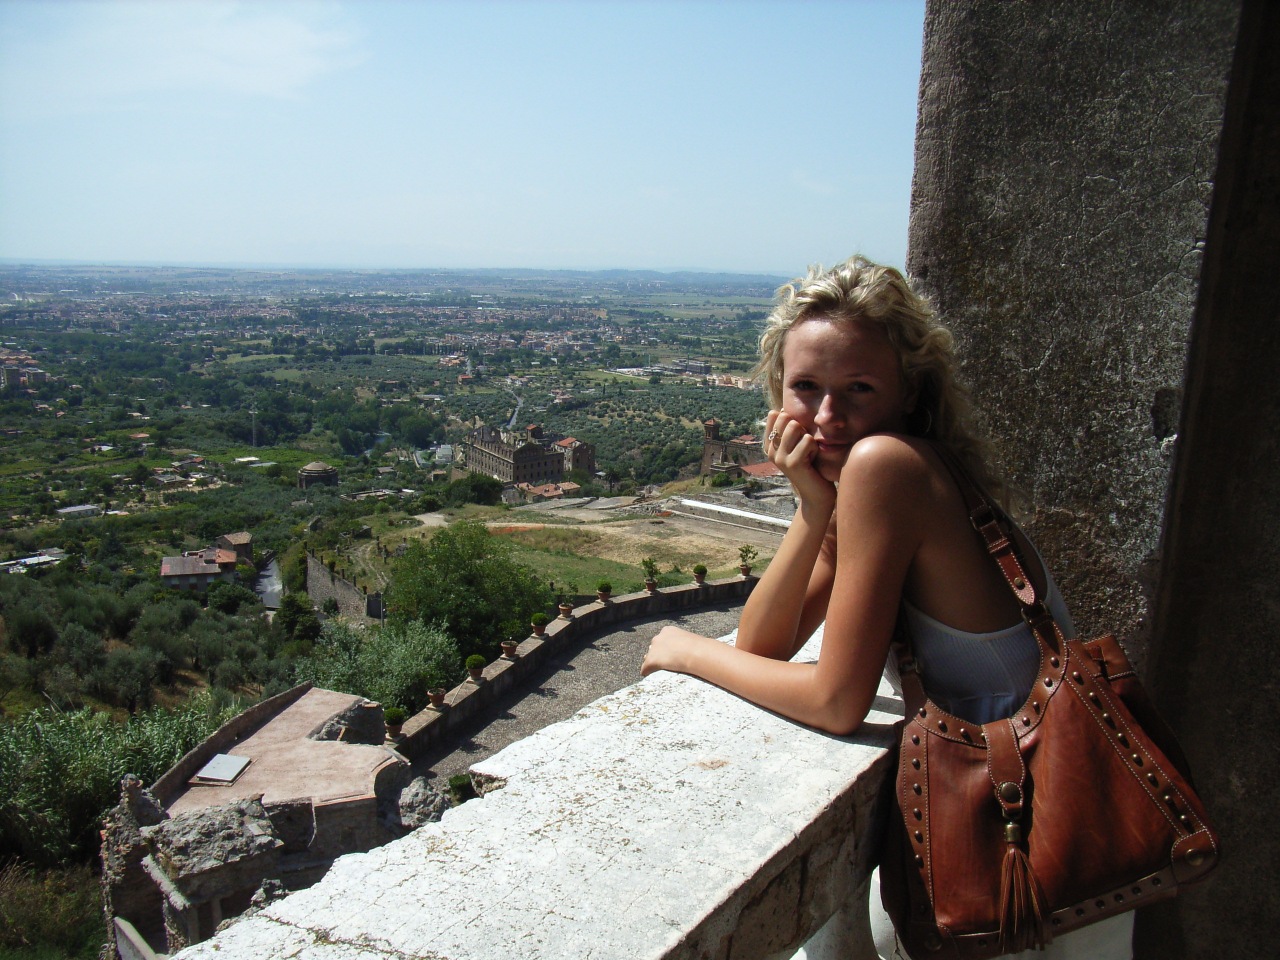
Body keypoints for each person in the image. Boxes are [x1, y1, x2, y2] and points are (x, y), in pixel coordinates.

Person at [640, 255, 1131, 959]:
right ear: (777, 391)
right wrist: (813, 510)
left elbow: (836, 701)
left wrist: (686, 650)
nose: (827, 417)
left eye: (859, 389)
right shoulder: (882, 479)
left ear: (907, 393)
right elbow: (763, 645)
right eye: (805, 387)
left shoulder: (886, 469)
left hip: (1020, 849)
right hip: (1042, 836)